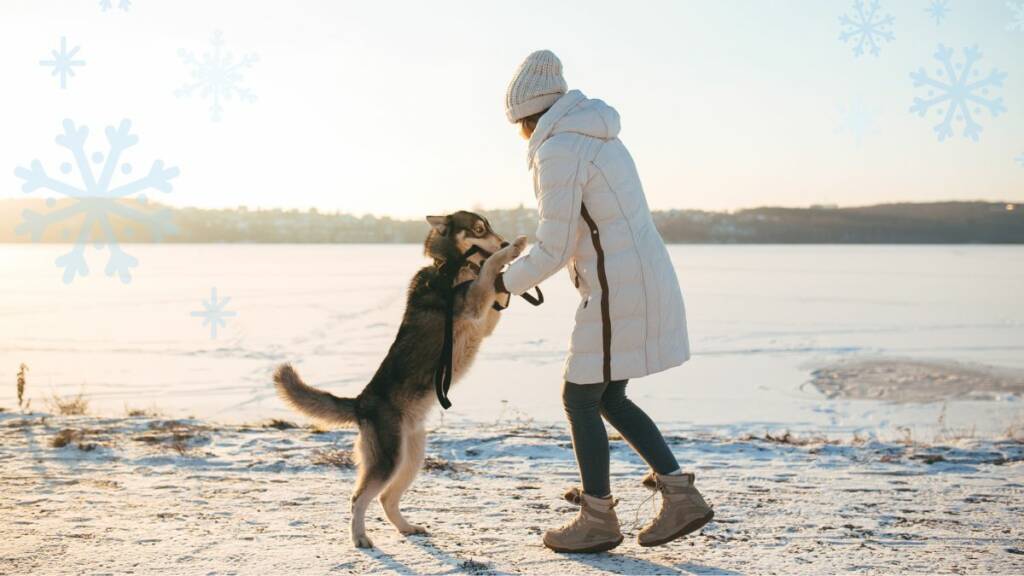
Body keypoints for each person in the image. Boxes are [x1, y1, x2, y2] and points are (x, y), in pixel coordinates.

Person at [495, 50, 713, 553]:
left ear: (527, 117)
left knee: (579, 396)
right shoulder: (597, 135)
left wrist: (499, 285)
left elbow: (554, 243)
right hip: (632, 280)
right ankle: (680, 496)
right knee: (607, 397)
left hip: (617, 289)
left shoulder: (560, 149)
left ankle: (598, 517)